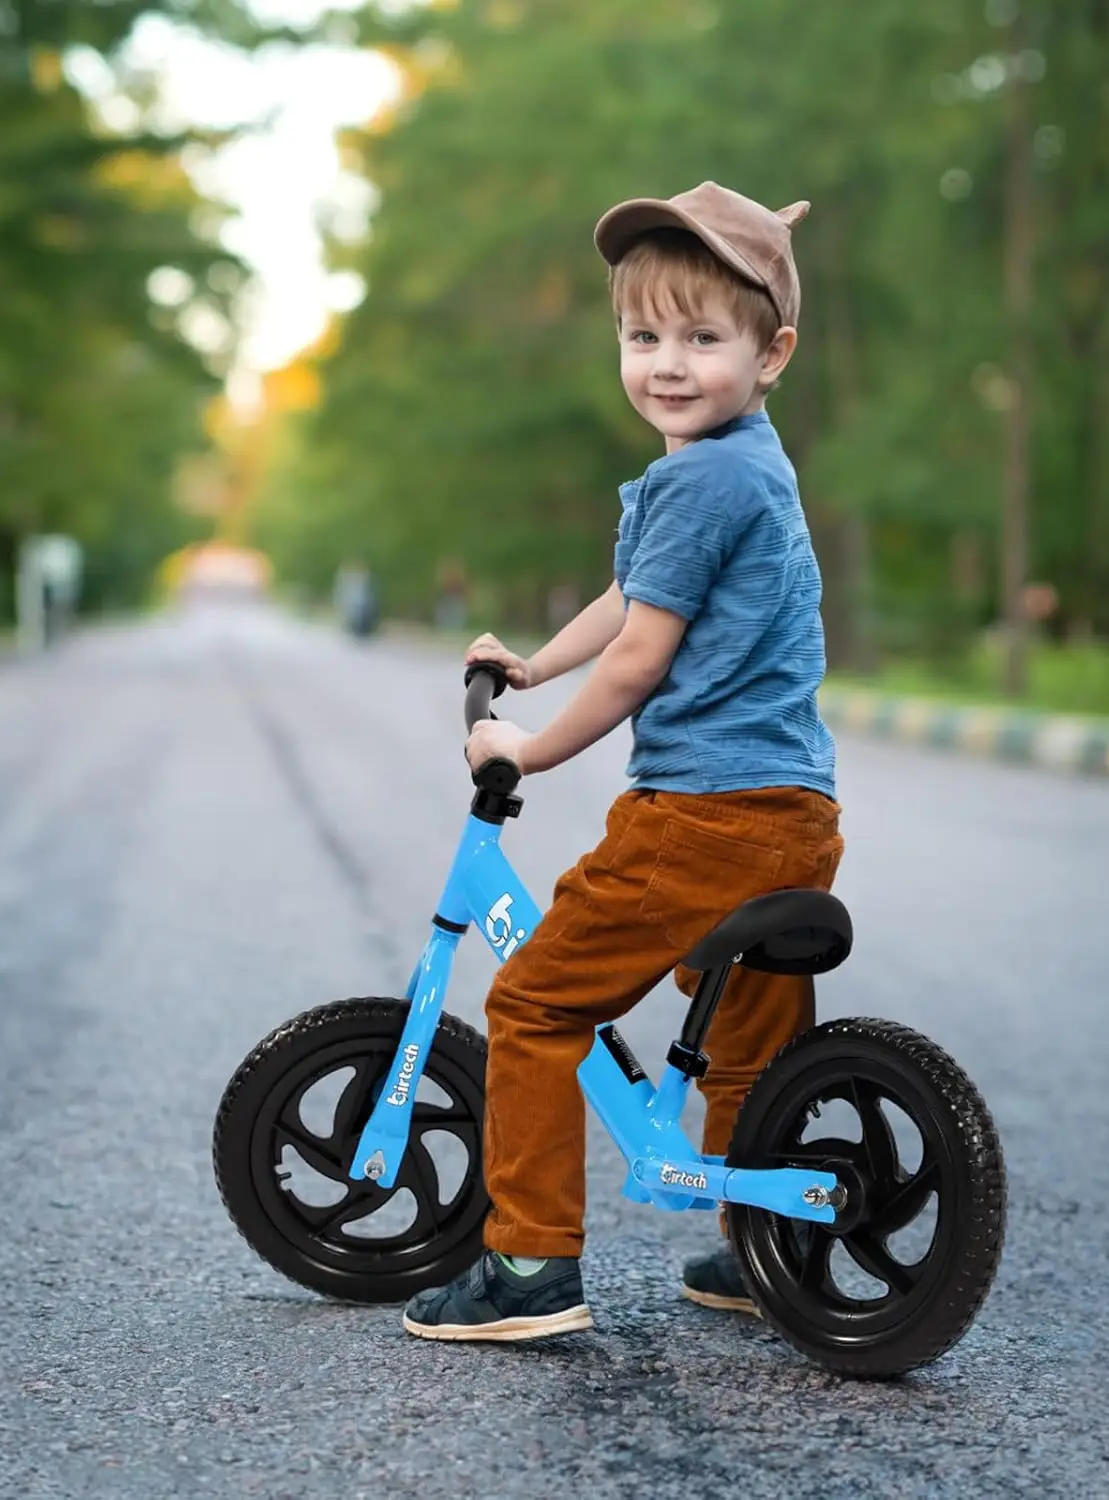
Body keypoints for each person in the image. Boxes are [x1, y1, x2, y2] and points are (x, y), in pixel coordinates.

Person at [402, 182, 843, 1343]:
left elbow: (644, 657)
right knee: (746, 1026)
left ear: (771, 351)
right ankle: (768, 1245)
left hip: (701, 816)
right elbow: (631, 598)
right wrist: (537, 666)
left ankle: (527, 1268)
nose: (668, 363)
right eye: (643, 336)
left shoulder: (701, 479)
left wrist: (527, 748)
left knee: (537, 1001)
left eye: (704, 338)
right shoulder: (744, 461)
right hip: (791, 808)